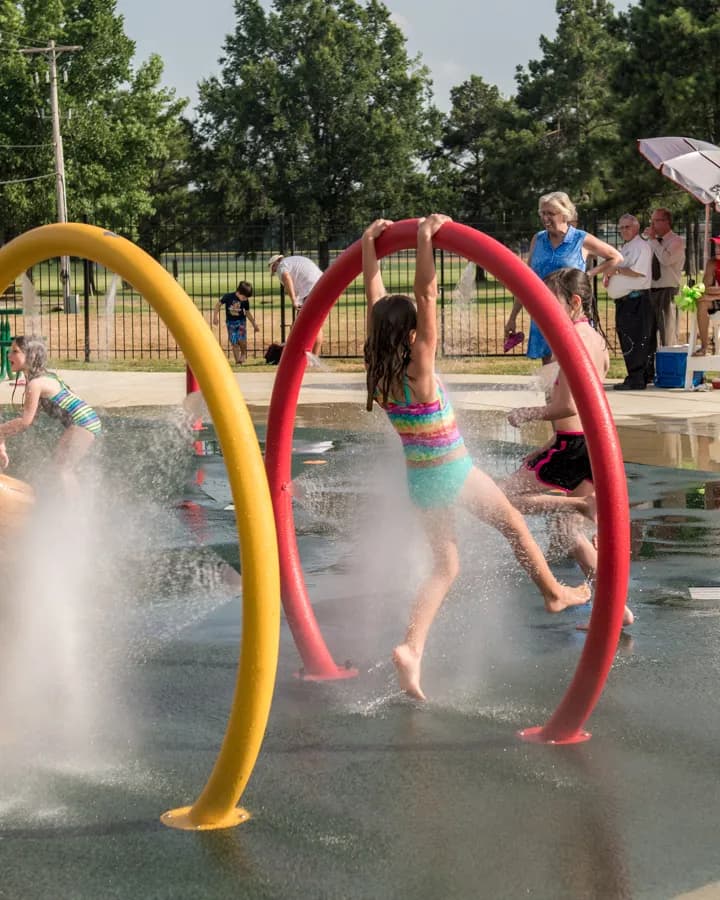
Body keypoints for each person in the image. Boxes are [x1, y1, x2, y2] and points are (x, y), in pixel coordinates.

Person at [362, 215, 590, 700]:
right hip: (453, 471)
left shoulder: (380, 372)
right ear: (411, 335)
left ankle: (411, 648)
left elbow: (377, 304)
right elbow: (426, 296)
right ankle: (553, 593)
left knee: (445, 567)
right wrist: (425, 240)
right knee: (514, 524)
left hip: (422, 482)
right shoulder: (420, 368)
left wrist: (369, 249)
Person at [504, 268, 634, 626]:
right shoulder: (593, 338)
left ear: (574, 303)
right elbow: (584, 404)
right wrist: (545, 442)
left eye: (551, 301)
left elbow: (567, 407)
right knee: (567, 533)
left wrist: (525, 413)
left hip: (573, 447)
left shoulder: (575, 340)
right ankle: (616, 611)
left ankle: (581, 504)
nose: (543, 309)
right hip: (590, 445)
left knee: (502, 500)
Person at [504, 191, 622, 364]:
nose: (545, 218)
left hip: (571, 312)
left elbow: (616, 257)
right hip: (542, 310)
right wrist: (513, 317)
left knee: (573, 364)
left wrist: (588, 275)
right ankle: (551, 393)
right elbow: (526, 280)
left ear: (565, 214)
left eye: (550, 213)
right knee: (549, 370)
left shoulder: (580, 239)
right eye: (542, 213)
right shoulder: (538, 239)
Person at [0, 335, 101, 489]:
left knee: (63, 469)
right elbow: (29, 420)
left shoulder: (35, 384)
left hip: (83, 423)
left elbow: (25, 422)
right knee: (61, 467)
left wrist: (1, 433)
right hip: (87, 421)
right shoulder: (44, 377)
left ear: (30, 356)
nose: (9, 355)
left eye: (15, 351)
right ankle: (69, 506)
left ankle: (74, 511)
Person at [603, 214, 654, 390]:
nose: (624, 230)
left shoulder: (640, 246)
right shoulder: (627, 247)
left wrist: (616, 271)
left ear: (636, 228)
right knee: (630, 339)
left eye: (627, 227)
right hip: (626, 301)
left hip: (635, 300)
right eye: (621, 227)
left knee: (635, 340)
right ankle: (638, 375)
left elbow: (638, 272)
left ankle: (637, 377)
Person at [644, 207, 685, 349]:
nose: (652, 224)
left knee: (668, 334)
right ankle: (651, 368)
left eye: (656, 220)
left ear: (666, 222)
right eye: (652, 221)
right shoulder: (650, 242)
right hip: (650, 290)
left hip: (668, 291)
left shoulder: (676, 241)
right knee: (648, 335)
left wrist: (654, 240)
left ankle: (669, 368)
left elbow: (666, 260)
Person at [269, 253, 324, 356]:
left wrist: (294, 299)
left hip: (311, 291)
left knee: (299, 326)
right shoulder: (293, 261)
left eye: (274, 269)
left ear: (275, 264)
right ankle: (314, 358)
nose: (275, 272)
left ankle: (299, 357)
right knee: (316, 325)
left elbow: (286, 278)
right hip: (323, 285)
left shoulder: (282, 266)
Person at [212, 280, 259, 365]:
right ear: (238, 292)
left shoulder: (245, 301)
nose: (245, 299)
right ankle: (238, 361)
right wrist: (215, 316)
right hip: (230, 324)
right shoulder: (228, 297)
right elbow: (218, 305)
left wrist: (254, 324)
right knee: (234, 342)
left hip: (241, 322)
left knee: (241, 339)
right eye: (244, 297)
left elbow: (247, 312)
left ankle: (243, 353)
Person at [692, 235, 720, 356]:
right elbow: (705, 288)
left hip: (716, 298)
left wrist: (713, 296)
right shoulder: (712, 263)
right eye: (717, 246)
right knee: (702, 301)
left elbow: (709, 291)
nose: (717, 249)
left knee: (705, 298)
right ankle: (704, 347)